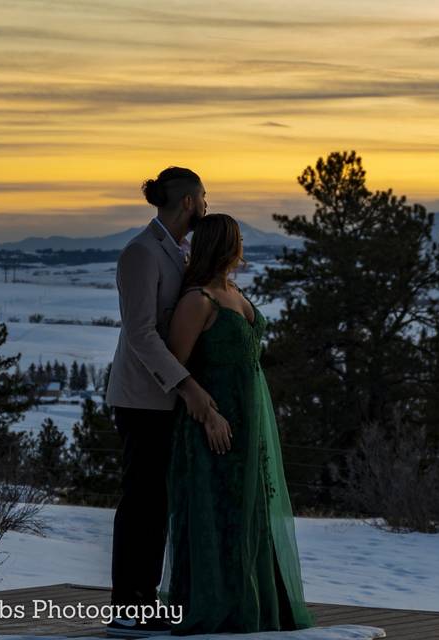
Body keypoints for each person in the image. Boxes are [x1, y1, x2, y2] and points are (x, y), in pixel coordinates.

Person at [159, 213, 315, 634]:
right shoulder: (198, 299)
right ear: (225, 244)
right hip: (213, 423)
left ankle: (258, 601)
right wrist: (207, 413)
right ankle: (218, 606)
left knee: (250, 511)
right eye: (237, 239)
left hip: (250, 421)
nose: (242, 245)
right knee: (217, 511)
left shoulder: (233, 291)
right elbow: (174, 366)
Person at [105, 167, 230, 637]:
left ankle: (145, 597)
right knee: (141, 500)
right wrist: (187, 386)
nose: (206, 203)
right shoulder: (141, 253)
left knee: (159, 500)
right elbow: (140, 333)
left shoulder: (178, 251)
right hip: (143, 398)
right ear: (188, 202)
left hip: (169, 396)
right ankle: (126, 603)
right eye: (203, 196)